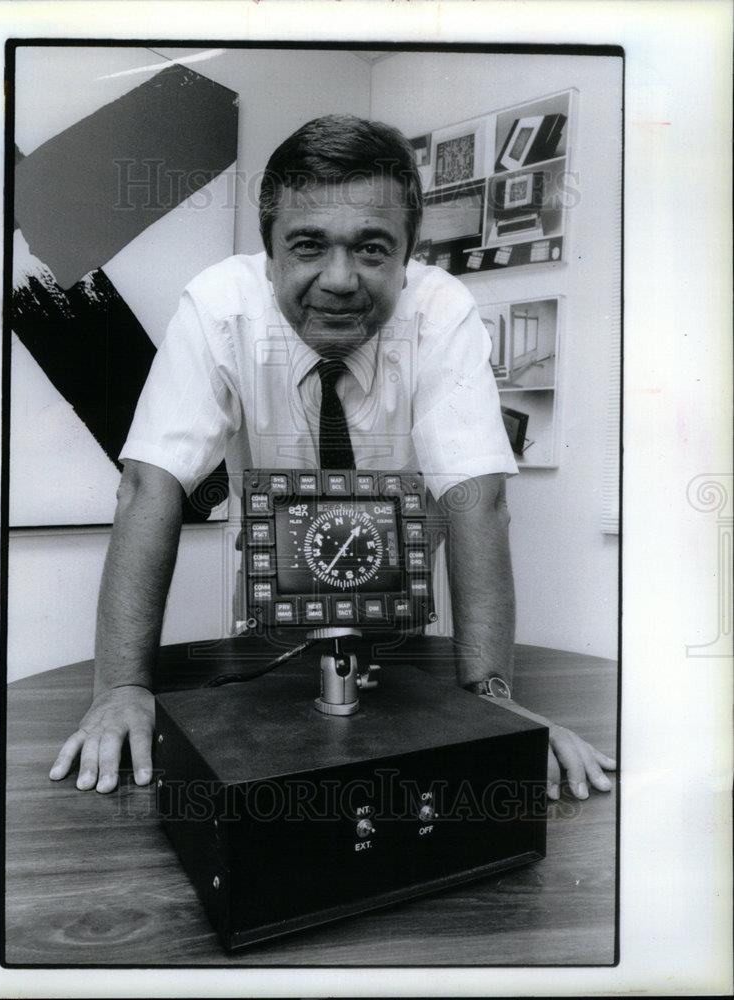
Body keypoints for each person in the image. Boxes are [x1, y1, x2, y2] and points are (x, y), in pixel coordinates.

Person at [49, 114, 616, 800]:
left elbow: (477, 501)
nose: (340, 280)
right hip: (264, 626)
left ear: (407, 258)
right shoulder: (219, 305)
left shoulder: (441, 311)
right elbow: (150, 485)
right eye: (309, 245)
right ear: (270, 257)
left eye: (372, 249)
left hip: (404, 632)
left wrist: (490, 698)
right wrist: (121, 689)